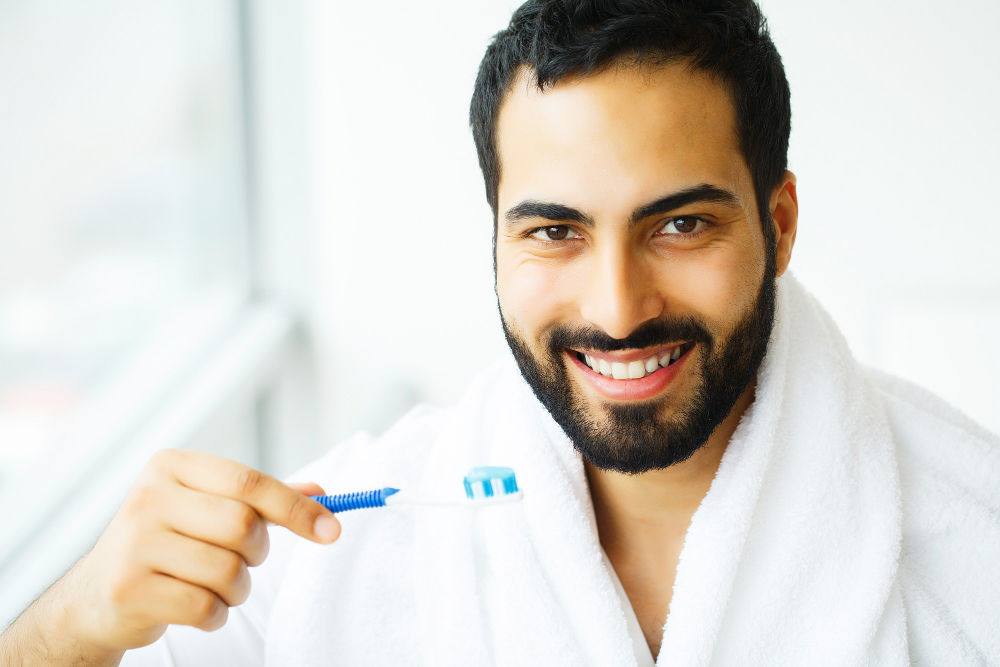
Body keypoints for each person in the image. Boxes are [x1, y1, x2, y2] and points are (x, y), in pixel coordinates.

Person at [3, 1, 998, 665]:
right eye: (555, 231)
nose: (615, 306)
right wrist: (72, 623)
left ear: (777, 223)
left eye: (680, 224)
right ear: (494, 237)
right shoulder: (342, 550)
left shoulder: (967, 537)